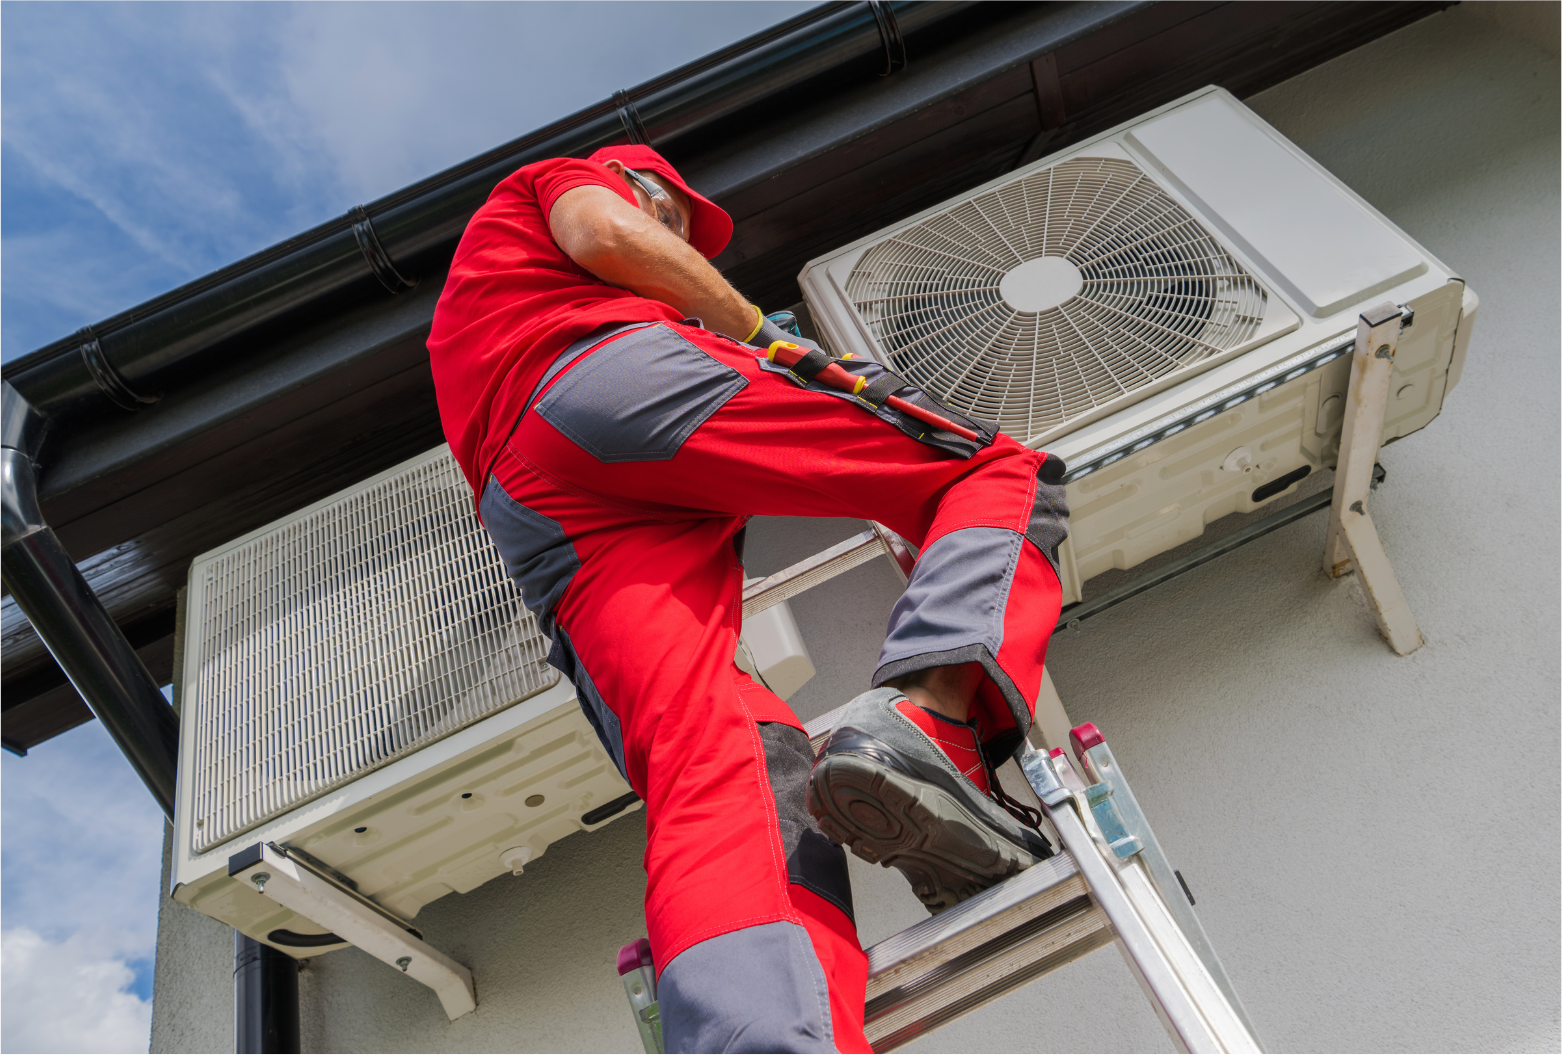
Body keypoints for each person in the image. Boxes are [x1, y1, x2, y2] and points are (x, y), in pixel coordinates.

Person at [428, 144, 1068, 1054]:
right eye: (681, 223)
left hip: (533, 504)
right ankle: (932, 723)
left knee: (720, 750)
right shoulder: (564, 183)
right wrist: (761, 334)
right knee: (995, 471)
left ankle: (758, 1036)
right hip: (601, 378)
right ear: (645, 190)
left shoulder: (475, 311)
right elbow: (603, 232)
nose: (685, 248)